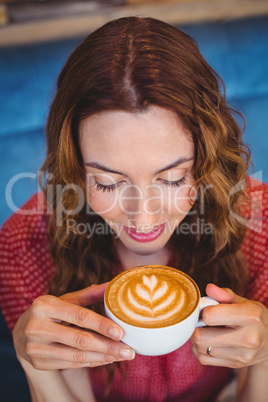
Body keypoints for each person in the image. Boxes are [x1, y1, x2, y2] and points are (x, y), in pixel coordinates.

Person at [0, 16, 267, 402]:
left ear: (206, 159)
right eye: (108, 183)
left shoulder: (261, 225)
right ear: (74, 167)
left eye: (173, 178)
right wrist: (33, 363)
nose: (144, 218)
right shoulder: (21, 249)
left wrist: (265, 356)